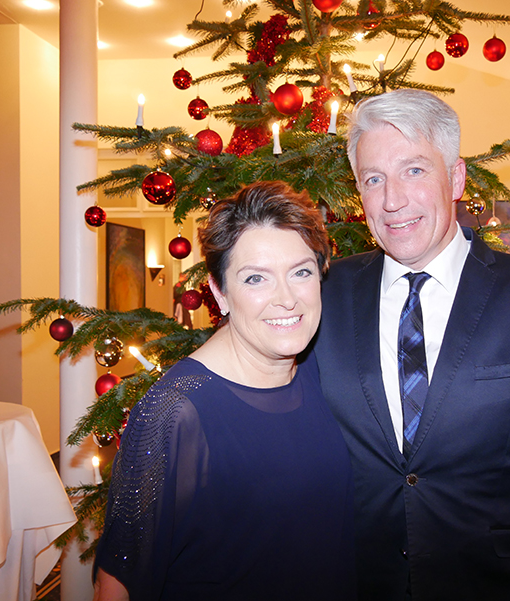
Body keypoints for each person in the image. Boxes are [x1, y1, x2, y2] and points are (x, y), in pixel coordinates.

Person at [312, 89, 510, 600]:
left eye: (414, 170)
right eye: (373, 179)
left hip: (491, 583)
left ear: (457, 178)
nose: (392, 200)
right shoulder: (322, 294)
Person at [93, 181, 356, 601]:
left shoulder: (313, 370)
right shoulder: (174, 412)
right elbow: (118, 584)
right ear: (220, 293)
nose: (287, 299)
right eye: (256, 278)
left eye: (301, 272)